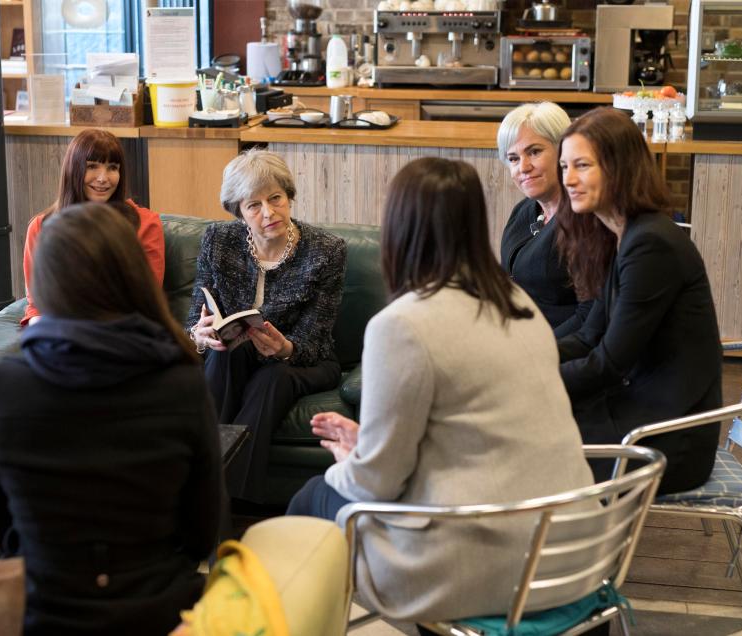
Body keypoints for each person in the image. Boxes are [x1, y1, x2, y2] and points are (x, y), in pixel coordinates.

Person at [287, 157, 593, 622]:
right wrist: (370, 446)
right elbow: (475, 436)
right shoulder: (515, 303)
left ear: (398, 228)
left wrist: (355, 460)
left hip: (485, 564)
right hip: (573, 550)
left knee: (314, 496)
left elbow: (377, 482)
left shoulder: (403, 325)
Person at [0, 203, 226, 635]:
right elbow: (202, 532)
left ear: (44, 281)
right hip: (158, 613)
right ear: (131, 274)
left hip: (42, 613)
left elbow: (0, 533)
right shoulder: (179, 379)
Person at [556, 107, 722, 494]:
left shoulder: (651, 244)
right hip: (642, 412)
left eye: (582, 165)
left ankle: (569, 550)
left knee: (525, 443)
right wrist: (524, 356)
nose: (568, 180)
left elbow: (610, 364)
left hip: (668, 438)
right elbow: (587, 337)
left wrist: (531, 381)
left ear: (619, 168)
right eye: (565, 166)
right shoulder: (622, 236)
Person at [187, 149, 347, 503]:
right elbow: (197, 316)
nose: (269, 212)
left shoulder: (326, 250)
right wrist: (199, 336)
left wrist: (285, 348)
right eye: (254, 205)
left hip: (305, 360)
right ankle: (210, 494)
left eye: (275, 198)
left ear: (289, 196)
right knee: (226, 354)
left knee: (273, 378)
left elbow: (316, 337)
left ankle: (210, 499)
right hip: (237, 355)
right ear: (239, 212)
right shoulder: (218, 241)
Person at [21, 128, 165, 326]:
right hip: (61, 331)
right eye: (93, 166)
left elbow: (147, 298)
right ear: (74, 170)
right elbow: (37, 302)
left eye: (112, 167)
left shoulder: (145, 223)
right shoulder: (41, 226)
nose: (103, 178)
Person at [498, 102, 598, 337]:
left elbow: (590, 315)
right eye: (513, 158)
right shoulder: (523, 211)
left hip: (562, 352)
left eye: (534, 152)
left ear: (564, 151)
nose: (523, 167)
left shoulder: (584, 219)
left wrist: (536, 351)